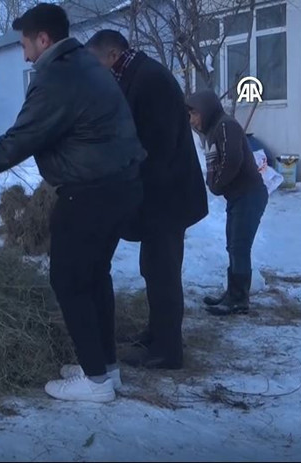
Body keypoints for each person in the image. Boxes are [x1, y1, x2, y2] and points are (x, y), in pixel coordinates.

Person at [0, 3, 145, 403]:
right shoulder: (85, 65)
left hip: (89, 192)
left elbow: (19, 141)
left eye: (25, 45)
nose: (25, 53)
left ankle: (96, 383)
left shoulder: (58, 76)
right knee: (95, 276)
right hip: (120, 185)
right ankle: (104, 367)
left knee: (67, 280)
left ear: (43, 39)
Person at [85, 30, 208, 369]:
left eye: (97, 63)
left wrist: (128, 187)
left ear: (111, 55)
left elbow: (157, 147)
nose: (98, 72)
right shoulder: (135, 74)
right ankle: (156, 333)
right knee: (153, 269)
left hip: (168, 197)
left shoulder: (149, 79)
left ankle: (167, 352)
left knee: (163, 272)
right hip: (160, 196)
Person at [186, 89, 268, 316]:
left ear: (205, 109)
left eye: (194, 114)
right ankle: (232, 293)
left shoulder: (225, 126)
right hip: (238, 196)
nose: (192, 120)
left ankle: (239, 300)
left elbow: (232, 160)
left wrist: (217, 184)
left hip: (249, 195)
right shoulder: (214, 130)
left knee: (240, 246)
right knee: (233, 244)